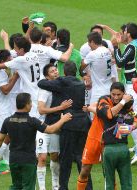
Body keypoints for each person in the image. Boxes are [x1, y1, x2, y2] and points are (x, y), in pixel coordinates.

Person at [0, 93, 72, 190]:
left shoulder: (8, 120)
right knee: (28, 187)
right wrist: (63, 120)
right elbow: (51, 130)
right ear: (26, 105)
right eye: (30, 103)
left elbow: (0, 139)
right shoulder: (32, 121)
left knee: (16, 186)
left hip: (13, 159)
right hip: (28, 160)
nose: (31, 105)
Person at [38, 61, 92, 190]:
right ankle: (88, 187)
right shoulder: (80, 83)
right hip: (83, 122)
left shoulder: (63, 82)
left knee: (66, 158)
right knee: (81, 157)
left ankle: (63, 187)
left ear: (65, 72)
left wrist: (57, 79)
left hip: (69, 122)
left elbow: (41, 83)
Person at [112, 23, 137, 164]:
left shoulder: (131, 47)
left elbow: (119, 62)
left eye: (124, 31)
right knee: (135, 116)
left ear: (129, 34)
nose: (122, 33)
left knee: (132, 117)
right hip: (134, 84)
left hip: (133, 87)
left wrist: (115, 46)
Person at [97, 82, 137, 190]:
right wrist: (123, 100)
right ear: (109, 93)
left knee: (120, 184)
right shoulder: (104, 100)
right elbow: (109, 114)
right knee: (118, 184)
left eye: (119, 95)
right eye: (113, 94)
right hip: (109, 149)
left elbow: (136, 120)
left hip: (121, 149)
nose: (115, 97)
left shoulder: (127, 104)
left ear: (123, 93)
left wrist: (131, 128)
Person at [36, 64, 72, 190]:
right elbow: (40, 110)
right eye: (52, 71)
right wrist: (60, 108)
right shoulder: (45, 90)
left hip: (55, 126)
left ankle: (55, 186)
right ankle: (41, 188)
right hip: (42, 126)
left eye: (56, 70)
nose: (56, 72)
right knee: (42, 157)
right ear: (47, 76)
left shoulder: (59, 87)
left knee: (55, 156)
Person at [0, 49, 19, 164]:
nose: (11, 60)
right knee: (5, 135)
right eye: (9, 59)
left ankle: (4, 159)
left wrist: (12, 77)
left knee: (4, 134)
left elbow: (4, 84)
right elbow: (5, 90)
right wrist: (15, 76)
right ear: (2, 60)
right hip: (1, 110)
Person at [81, 31, 116, 104]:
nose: (88, 45)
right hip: (109, 89)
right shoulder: (107, 51)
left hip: (98, 92)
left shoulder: (92, 54)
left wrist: (83, 74)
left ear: (92, 42)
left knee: (94, 114)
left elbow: (82, 66)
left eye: (89, 43)